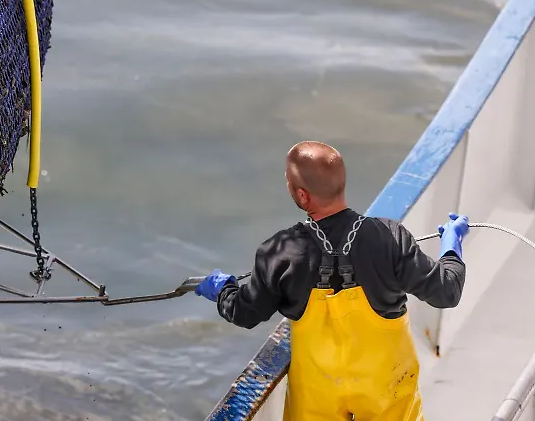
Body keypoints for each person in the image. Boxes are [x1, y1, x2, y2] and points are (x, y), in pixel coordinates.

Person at [195, 141, 468, 421]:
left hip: (317, 391)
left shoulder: (279, 252)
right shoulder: (390, 237)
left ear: (302, 195)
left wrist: (222, 289)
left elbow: (246, 312)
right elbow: (446, 292)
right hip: (387, 385)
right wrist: (452, 246)